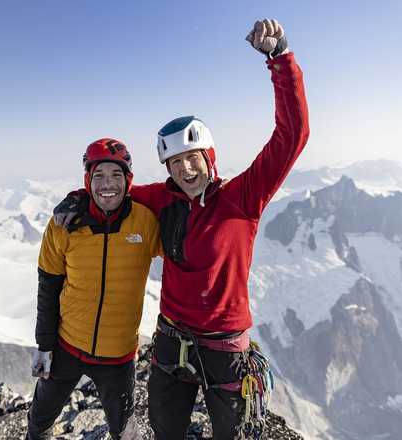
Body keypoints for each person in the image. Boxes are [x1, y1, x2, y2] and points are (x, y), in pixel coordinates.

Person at [53, 19, 309, 440]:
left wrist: (280, 58)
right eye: (176, 163)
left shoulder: (243, 197)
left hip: (225, 345)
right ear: (168, 169)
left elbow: (292, 135)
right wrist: (82, 197)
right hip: (172, 339)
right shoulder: (162, 198)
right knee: (165, 428)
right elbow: (116, 192)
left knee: (233, 433)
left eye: (193, 158)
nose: (186, 169)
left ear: (209, 157)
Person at [27, 138, 162, 440]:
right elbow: (48, 287)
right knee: (39, 420)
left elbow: (182, 255)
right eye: (98, 175)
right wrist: (44, 345)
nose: (107, 184)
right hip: (66, 346)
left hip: (118, 358)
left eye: (116, 175)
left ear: (128, 181)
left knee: (124, 430)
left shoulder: (145, 223)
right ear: (87, 180)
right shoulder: (64, 224)